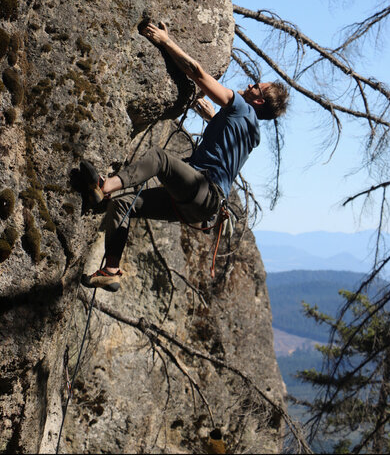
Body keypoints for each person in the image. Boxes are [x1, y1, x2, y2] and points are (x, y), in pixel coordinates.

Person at [81, 21, 289, 292]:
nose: (249, 84)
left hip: (204, 190)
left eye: (256, 86)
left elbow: (197, 72)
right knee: (123, 205)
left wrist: (164, 41)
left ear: (258, 101)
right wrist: (213, 117)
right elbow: (229, 141)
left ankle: (105, 185)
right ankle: (110, 270)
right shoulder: (250, 131)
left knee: (159, 158)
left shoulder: (240, 107)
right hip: (202, 208)